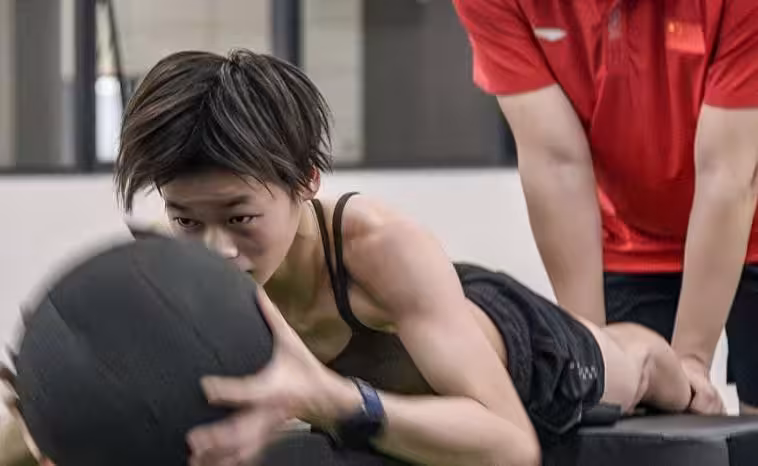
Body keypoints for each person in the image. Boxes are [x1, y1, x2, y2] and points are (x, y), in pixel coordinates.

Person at [1, 48, 708, 466]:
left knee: (636, 366)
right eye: (187, 220)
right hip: (421, 330)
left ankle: (679, 368)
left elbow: (510, 446)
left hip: (524, 353)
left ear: (306, 181)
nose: (216, 249)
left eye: (241, 218)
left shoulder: (377, 245)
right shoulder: (167, 278)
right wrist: (51, 413)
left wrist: (333, 399)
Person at [452, 0, 758, 416]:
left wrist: (690, 364)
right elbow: (556, 162)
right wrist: (593, 356)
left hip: (745, 202)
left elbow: (728, 173)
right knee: (627, 412)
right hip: (634, 233)